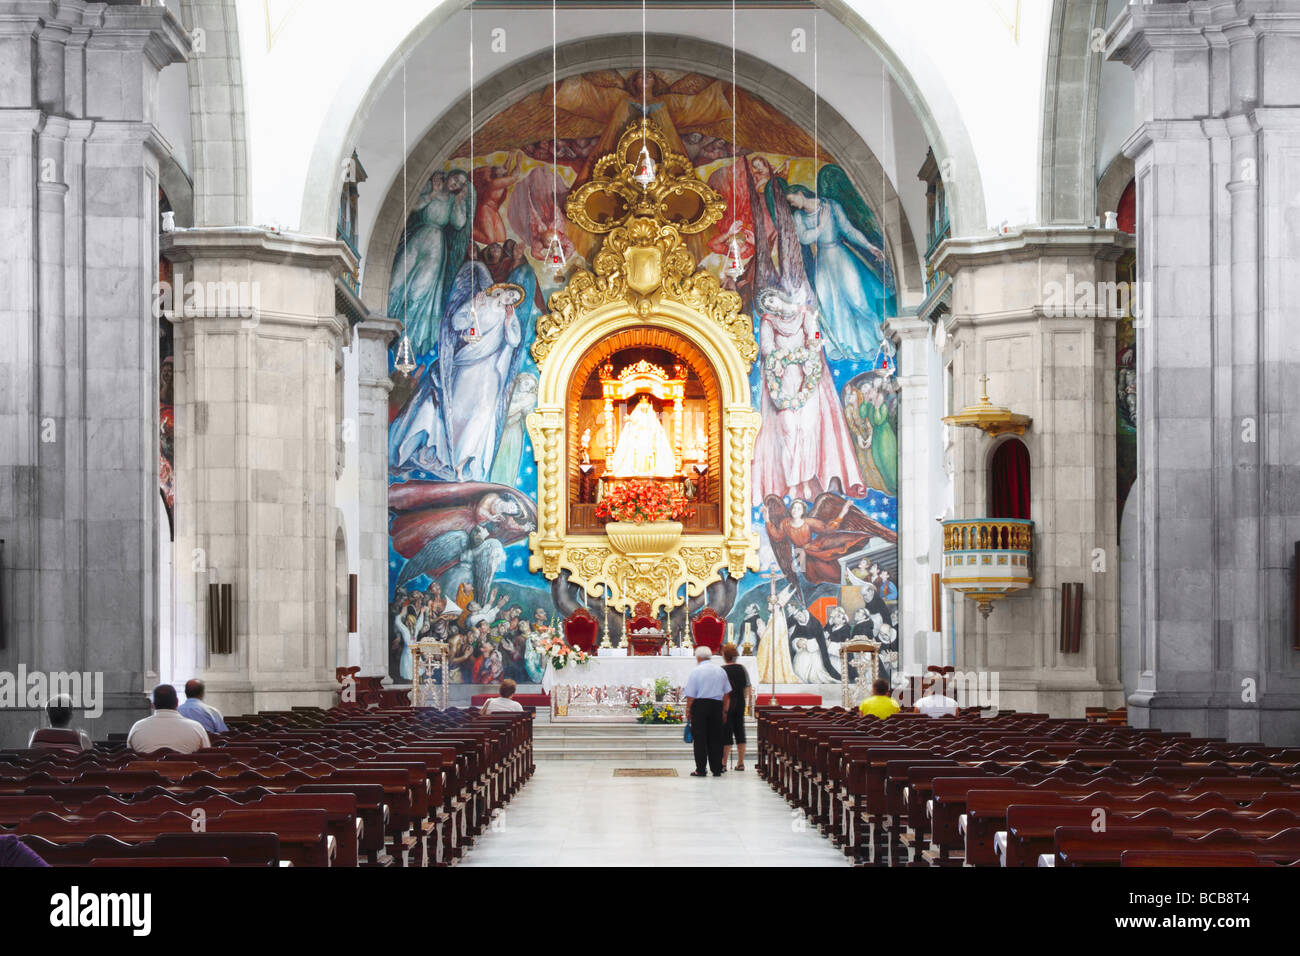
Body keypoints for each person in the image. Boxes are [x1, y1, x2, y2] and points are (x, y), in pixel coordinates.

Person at [682, 646, 731, 777]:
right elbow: (727, 693)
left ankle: (701, 769)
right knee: (716, 737)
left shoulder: (696, 671)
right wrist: (725, 711)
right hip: (716, 706)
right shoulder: (720, 671)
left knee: (700, 739)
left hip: (700, 706)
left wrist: (688, 709)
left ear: (698, 657)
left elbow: (691, 695)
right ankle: (716, 768)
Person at [127, 684, 210, 754]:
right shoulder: (196, 727)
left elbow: (130, 758)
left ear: (153, 705)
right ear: (177, 702)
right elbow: (207, 757)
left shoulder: (137, 727)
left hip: (147, 773)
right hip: (183, 773)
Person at [719, 644, 753, 771]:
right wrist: (746, 701)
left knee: (726, 732)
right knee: (740, 731)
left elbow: (720, 689)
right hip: (739, 702)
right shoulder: (742, 669)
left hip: (726, 705)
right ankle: (740, 762)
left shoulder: (722, 670)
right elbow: (747, 686)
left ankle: (723, 763)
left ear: (724, 656)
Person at [27, 695, 92, 752]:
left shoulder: (37, 736)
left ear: (47, 717)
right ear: (71, 716)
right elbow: (88, 762)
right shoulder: (81, 739)